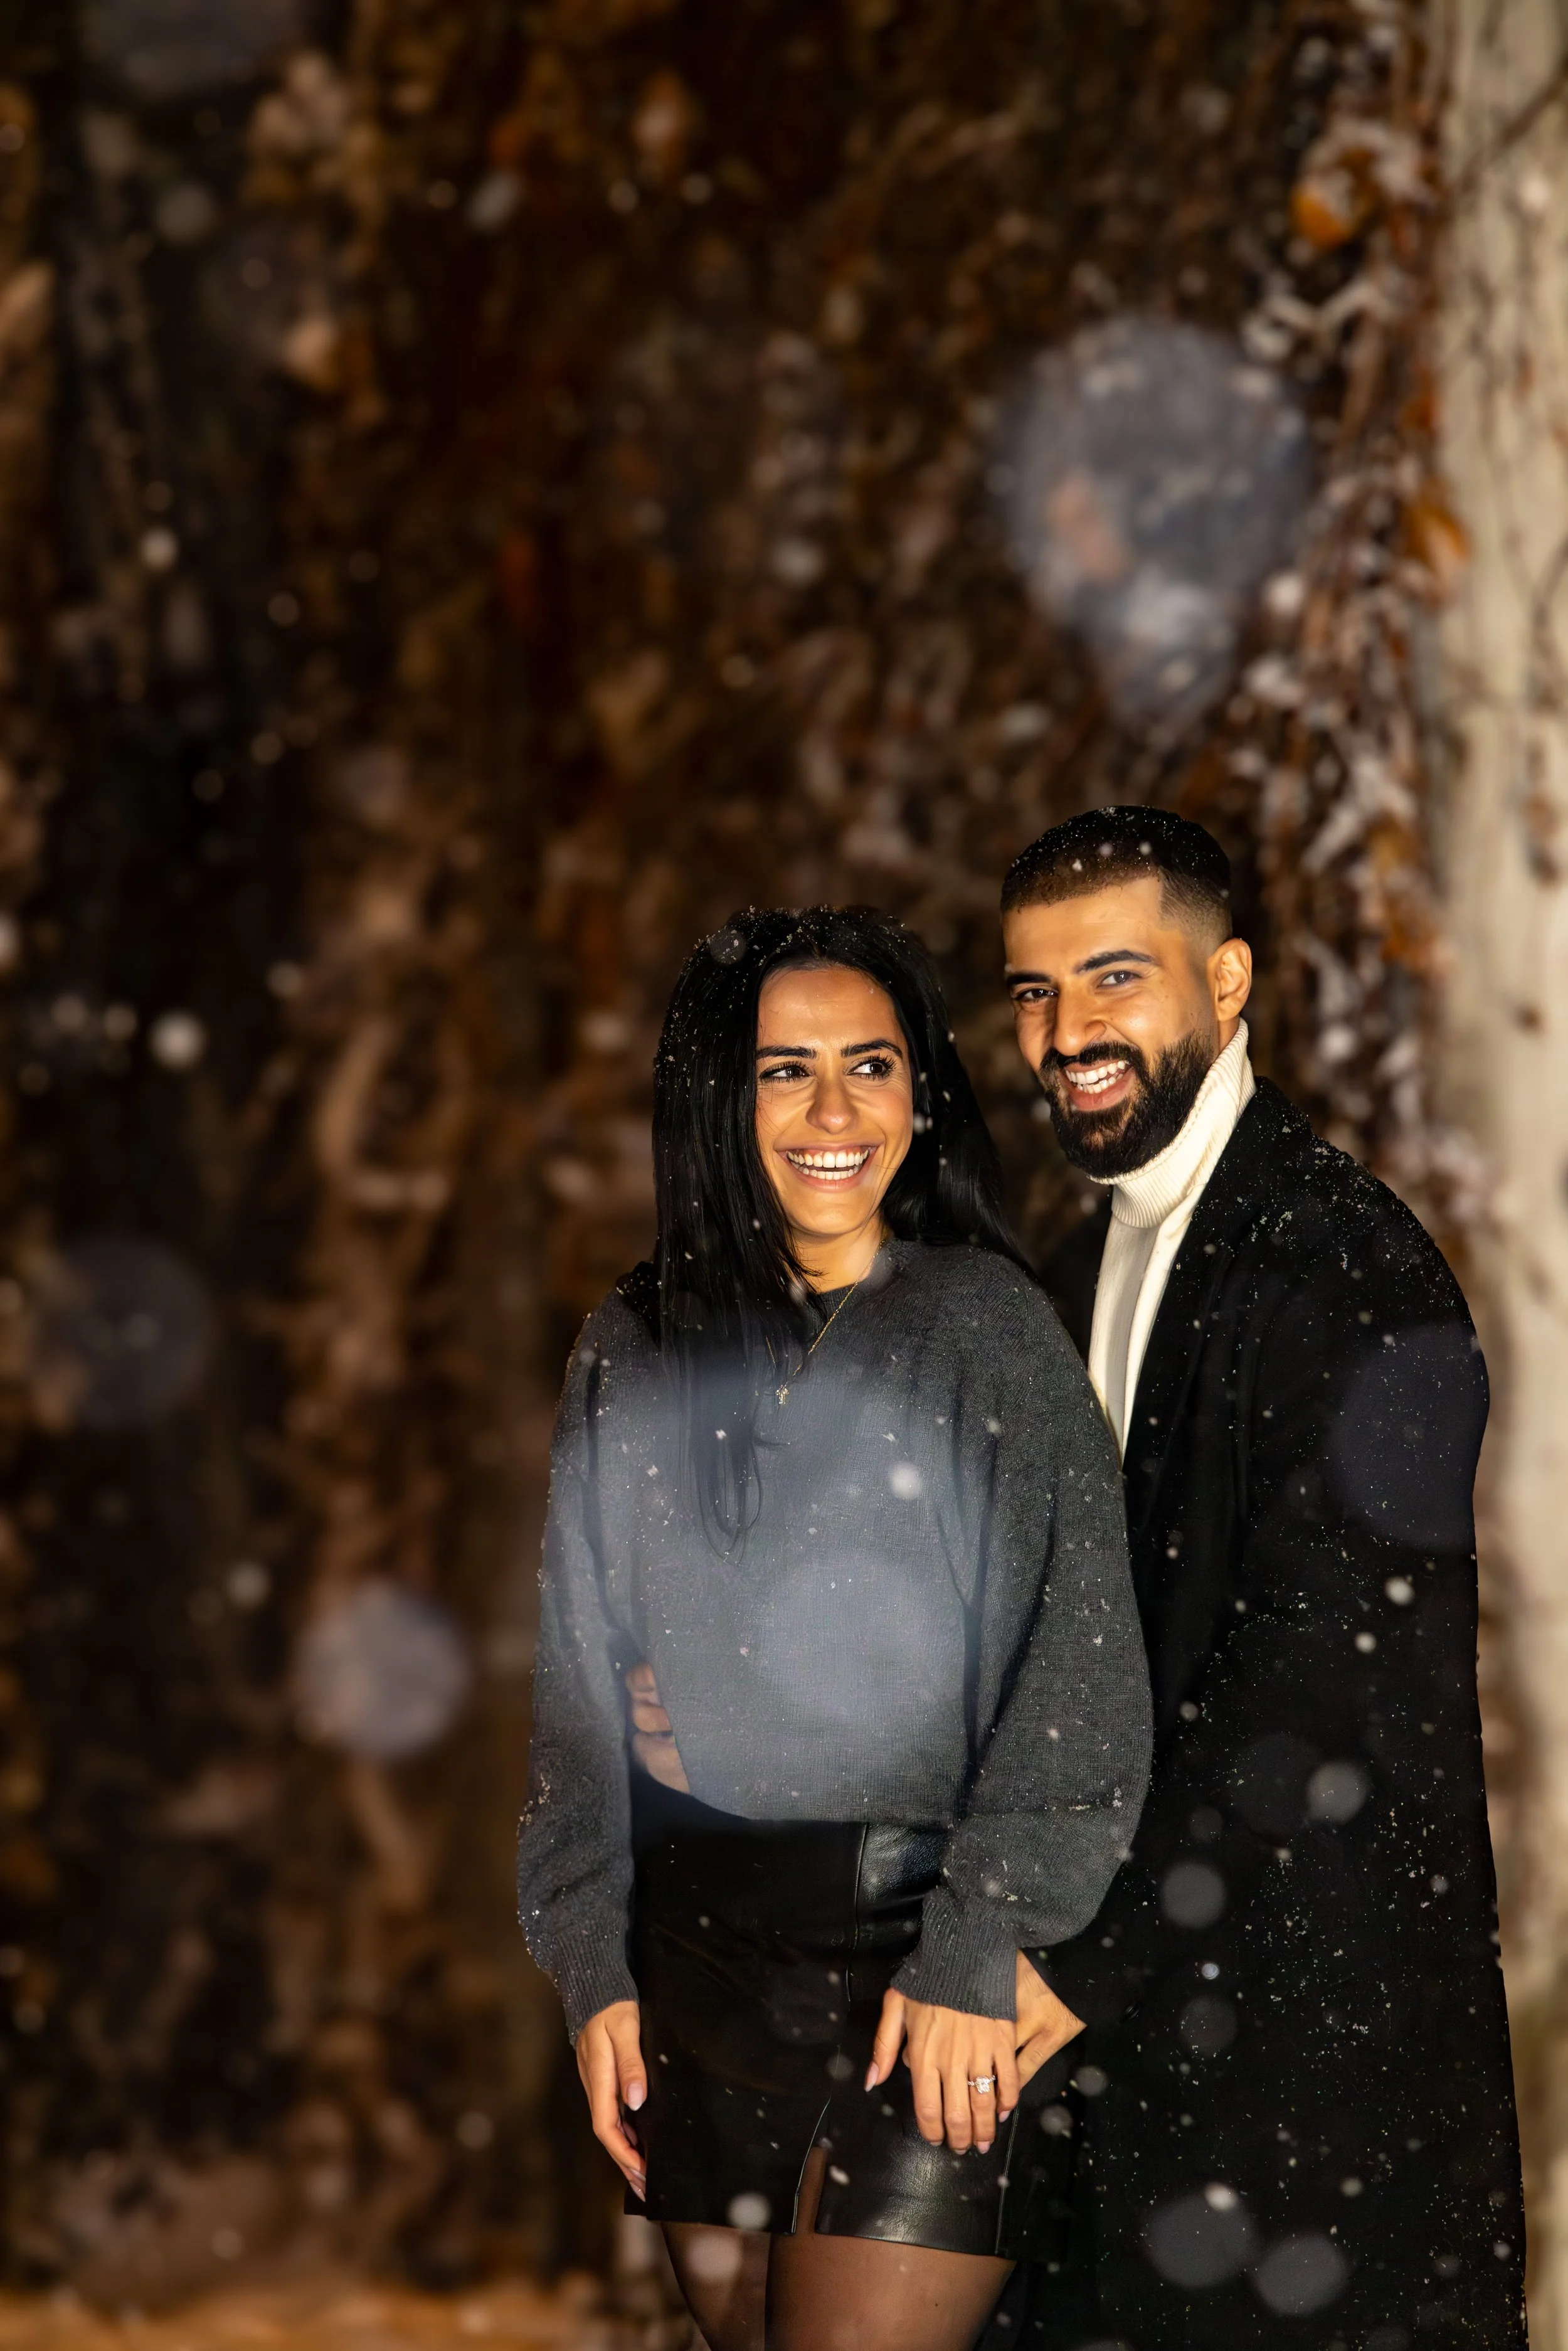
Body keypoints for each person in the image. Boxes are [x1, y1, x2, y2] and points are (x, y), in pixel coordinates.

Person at [516, 905, 1153, 2351]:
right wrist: (590, 1965)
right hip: (699, 1964)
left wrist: (977, 1940)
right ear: (714, 1101)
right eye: (781, 1069)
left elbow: (1080, 1663)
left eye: (869, 1063)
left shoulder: (982, 1326)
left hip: (918, 1950)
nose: (831, 1110)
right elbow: (571, 1685)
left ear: (919, 1091)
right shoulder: (635, 1344)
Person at [986, 807, 1525, 2350]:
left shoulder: (1351, 1270)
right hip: (1135, 2077)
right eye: (1032, 992)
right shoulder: (1062, 1258)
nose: (1067, 1032)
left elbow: (1317, 1680)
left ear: (1225, 987)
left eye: (1110, 979)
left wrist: (1076, 1957)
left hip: (1311, 2076)